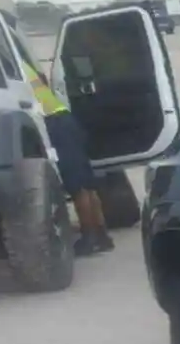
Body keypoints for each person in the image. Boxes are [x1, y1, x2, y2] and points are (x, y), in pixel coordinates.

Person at [18, 48, 113, 256]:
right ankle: (102, 235)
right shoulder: (24, 64)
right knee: (86, 183)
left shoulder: (11, 66)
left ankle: (89, 238)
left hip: (53, 122)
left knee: (76, 186)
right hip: (63, 117)